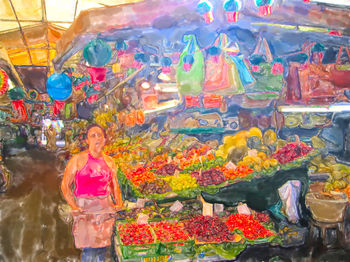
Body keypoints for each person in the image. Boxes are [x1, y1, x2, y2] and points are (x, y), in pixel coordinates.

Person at [61, 124, 123, 262]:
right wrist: (74, 206)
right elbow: (65, 185)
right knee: (89, 250)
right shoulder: (77, 160)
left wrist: (118, 202)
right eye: (92, 135)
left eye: (99, 135)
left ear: (105, 139)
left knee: (102, 248)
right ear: (87, 140)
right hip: (86, 209)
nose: (97, 138)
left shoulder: (110, 161)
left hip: (104, 208)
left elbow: (114, 185)